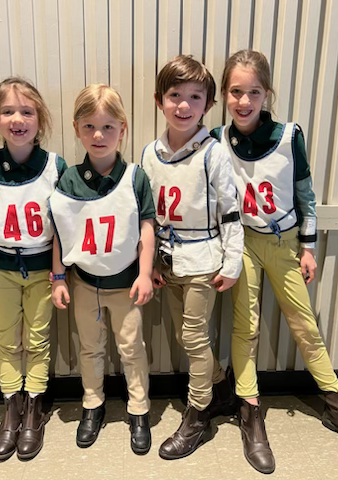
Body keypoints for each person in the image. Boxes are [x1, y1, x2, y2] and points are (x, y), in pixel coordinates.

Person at [211, 49, 338, 474]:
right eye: (235, 91)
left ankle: (337, 403)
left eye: (253, 92)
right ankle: (249, 410)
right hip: (242, 243)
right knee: (243, 325)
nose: (244, 101)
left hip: (284, 242)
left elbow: (306, 194)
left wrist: (309, 246)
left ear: (267, 93)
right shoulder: (216, 139)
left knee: (303, 322)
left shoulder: (288, 135)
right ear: (224, 94)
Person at [141, 55, 244, 460]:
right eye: (175, 96)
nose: (184, 106)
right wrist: (149, 266)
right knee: (187, 336)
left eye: (195, 98)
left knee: (194, 337)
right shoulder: (150, 153)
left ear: (207, 104)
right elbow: (145, 214)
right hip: (168, 260)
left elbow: (229, 210)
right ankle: (220, 390)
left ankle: (197, 414)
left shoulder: (213, 153)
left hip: (204, 259)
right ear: (159, 100)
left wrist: (232, 261)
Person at [49, 84, 154, 455]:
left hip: (126, 283)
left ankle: (138, 409)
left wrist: (144, 273)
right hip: (84, 282)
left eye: (108, 127)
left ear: (122, 130)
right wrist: (59, 277)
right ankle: (92, 405)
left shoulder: (135, 177)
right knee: (90, 347)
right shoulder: (69, 179)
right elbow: (61, 231)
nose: (99, 135)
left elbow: (146, 227)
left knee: (132, 348)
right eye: (90, 126)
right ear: (77, 128)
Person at [0, 77, 67, 461]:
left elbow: (60, 225)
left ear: (39, 120)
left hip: (42, 267)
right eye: (8, 111)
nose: (17, 119)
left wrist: (58, 273)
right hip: (1, 266)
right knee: (8, 338)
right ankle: (12, 407)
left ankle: (35, 405)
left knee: (39, 337)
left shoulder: (54, 167)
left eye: (26, 111)